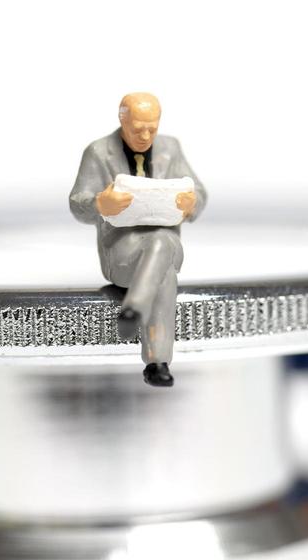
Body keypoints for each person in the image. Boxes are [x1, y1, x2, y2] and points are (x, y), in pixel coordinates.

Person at [68, 92, 206, 387]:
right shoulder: (98, 151)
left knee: (160, 243)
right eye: (137, 128)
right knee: (165, 265)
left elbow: (200, 194)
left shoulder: (171, 147)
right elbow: (77, 203)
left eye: (152, 128)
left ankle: (134, 309)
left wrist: (190, 203)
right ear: (122, 120)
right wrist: (99, 204)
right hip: (122, 252)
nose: (145, 136)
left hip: (161, 247)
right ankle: (157, 362)